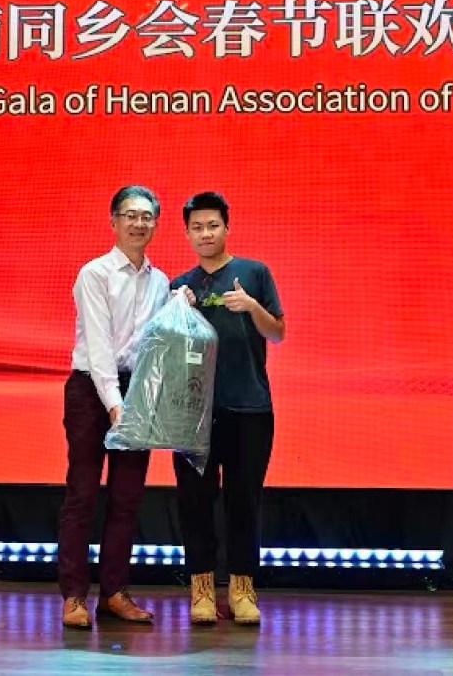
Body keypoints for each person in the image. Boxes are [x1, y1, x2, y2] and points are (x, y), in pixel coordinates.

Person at [57, 186, 170, 629]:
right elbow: (100, 346)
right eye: (130, 215)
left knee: (127, 497)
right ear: (114, 221)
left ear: (155, 224)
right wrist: (114, 404)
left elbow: (157, 346)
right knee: (83, 493)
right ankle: (73, 595)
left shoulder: (160, 282)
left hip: (137, 391)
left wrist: (145, 400)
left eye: (147, 217)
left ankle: (114, 593)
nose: (139, 224)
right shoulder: (95, 273)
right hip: (91, 391)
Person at [170, 192, 284, 626]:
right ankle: (201, 589)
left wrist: (251, 307)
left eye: (213, 225)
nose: (206, 234)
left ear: (227, 227)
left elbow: (277, 333)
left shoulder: (254, 273)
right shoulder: (179, 285)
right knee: (194, 503)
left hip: (250, 407)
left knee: (244, 501)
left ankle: (242, 589)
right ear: (187, 234)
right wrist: (178, 312)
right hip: (192, 412)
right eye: (197, 227)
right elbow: (167, 349)